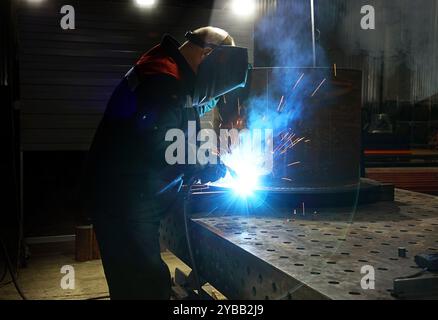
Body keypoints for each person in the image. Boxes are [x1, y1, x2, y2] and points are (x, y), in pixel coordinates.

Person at [84, 27, 237, 300]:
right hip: (122, 199)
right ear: (208, 55)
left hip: (123, 192)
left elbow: (178, 114)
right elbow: (163, 147)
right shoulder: (163, 82)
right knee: (145, 285)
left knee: (136, 282)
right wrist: (205, 164)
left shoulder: (166, 70)